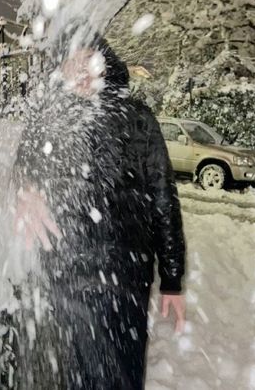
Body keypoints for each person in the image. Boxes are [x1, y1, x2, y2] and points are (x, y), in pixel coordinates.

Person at [12, 35, 186, 389]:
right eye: (71, 62)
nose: (81, 71)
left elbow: (163, 198)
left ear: (104, 62)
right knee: (73, 375)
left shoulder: (136, 118)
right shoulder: (49, 118)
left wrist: (172, 278)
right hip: (66, 273)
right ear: (60, 70)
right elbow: (24, 163)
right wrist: (25, 188)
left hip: (124, 278)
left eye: (88, 59)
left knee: (119, 375)